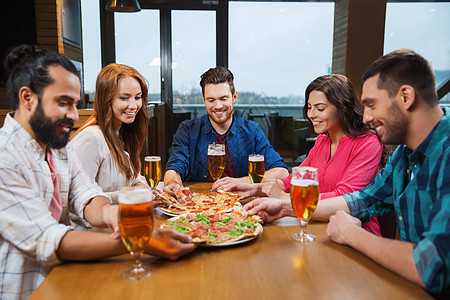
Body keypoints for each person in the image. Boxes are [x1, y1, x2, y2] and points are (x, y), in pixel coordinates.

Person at [244, 49, 449, 296]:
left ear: (406, 97)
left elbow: (432, 266)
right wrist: (287, 207)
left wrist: (354, 236)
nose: (367, 117)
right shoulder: (403, 154)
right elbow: (365, 199)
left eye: (372, 105)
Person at [0, 45, 197, 299]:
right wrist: (139, 240)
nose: (73, 115)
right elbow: (49, 239)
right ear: (27, 98)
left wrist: (109, 212)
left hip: (66, 277)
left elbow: (87, 195)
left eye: (75, 104)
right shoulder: (6, 157)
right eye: (63, 103)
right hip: (28, 291)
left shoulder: (57, 147)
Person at [219, 74, 384, 235]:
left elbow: (346, 197)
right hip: (317, 225)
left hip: (354, 232)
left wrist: (285, 199)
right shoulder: (323, 140)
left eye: (320, 108)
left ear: (342, 107)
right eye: (310, 107)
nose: (311, 114)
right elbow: (296, 179)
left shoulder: (368, 143)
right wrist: (255, 188)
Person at [163, 66, 288, 193]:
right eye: (211, 100)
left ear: (234, 97)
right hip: (199, 204)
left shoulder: (252, 131)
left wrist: (242, 181)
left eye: (223, 99)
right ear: (203, 99)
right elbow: (174, 167)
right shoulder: (187, 130)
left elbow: (282, 172)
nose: (218, 106)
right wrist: (173, 183)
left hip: (241, 205)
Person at [71, 63, 149, 203]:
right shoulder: (91, 137)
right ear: (106, 100)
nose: (133, 106)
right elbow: (77, 198)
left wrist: (140, 186)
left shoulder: (122, 131)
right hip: (92, 224)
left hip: (120, 220)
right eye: (124, 98)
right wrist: (130, 195)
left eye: (138, 97)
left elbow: (134, 176)